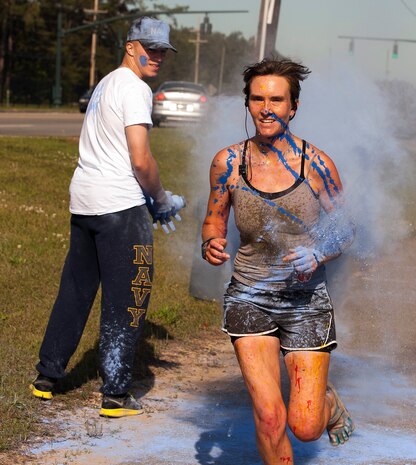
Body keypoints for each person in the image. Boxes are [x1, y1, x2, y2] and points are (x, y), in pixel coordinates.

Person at [201, 59, 355, 464]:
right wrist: (212, 243)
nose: (266, 108)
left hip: (306, 302)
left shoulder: (317, 164)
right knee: (270, 416)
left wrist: (319, 251)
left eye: (276, 99)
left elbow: (345, 228)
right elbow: (214, 220)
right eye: (257, 99)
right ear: (248, 104)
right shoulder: (228, 163)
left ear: (293, 106)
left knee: (305, 426)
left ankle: (326, 401)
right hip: (248, 296)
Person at [31, 17, 184, 418]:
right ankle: (115, 394)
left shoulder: (105, 84)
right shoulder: (135, 89)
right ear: (131, 45)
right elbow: (140, 158)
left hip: (85, 201)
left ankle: (47, 376)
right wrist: (161, 198)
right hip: (119, 207)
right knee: (128, 298)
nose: (158, 57)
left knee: (76, 289)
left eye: (163, 51)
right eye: (151, 48)